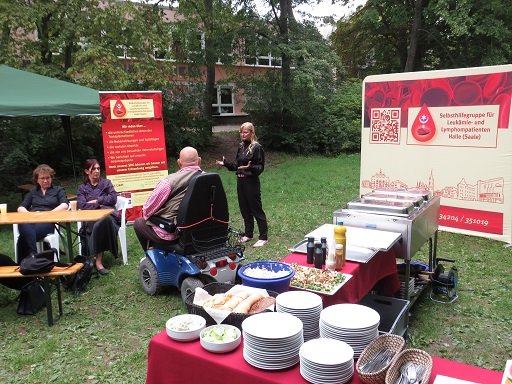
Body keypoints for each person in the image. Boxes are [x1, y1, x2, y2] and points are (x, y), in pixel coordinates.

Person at [134, 146, 203, 250]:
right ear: (199, 161)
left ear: (179, 163)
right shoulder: (210, 179)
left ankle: (152, 253)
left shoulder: (168, 182)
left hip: (175, 233)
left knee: (139, 223)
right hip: (201, 228)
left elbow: (148, 210)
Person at [216, 122, 268, 248]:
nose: (243, 134)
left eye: (245, 132)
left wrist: (249, 168)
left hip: (251, 182)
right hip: (241, 181)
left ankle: (263, 237)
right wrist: (226, 164)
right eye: (241, 132)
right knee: (244, 208)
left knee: (256, 209)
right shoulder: (241, 147)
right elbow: (236, 166)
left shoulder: (256, 147)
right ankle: (248, 234)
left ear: (251, 132)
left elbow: (260, 167)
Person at [77, 159, 120, 275]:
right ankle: (95, 260)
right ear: (87, 171)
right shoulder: (82, 188)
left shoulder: (106, 183)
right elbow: (81, 204)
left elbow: (113, 199)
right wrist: (100, 204)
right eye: (93, 169)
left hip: (109, 218)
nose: (97, 171)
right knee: (95, 224)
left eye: (98, 168)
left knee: (102, 222)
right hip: (91, 218)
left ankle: (97, 261)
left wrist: (97, 201)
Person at [16, 164, 69, 261]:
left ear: (51, 178)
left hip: (48, 221)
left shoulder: (58, 190)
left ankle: (27, 261)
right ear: (37, 180)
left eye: (48, 177)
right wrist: (31, 215)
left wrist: (47, 214)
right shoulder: (33, 192)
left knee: (23, 237)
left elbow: (65, 205)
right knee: (25, 224)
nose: (45, 180)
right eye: (42, 178)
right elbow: (21, 207)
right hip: (32, 220)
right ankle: (33, 257)